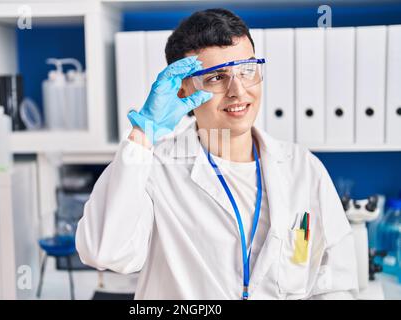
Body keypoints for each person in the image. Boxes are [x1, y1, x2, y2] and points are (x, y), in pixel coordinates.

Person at [76, 8, 358, 299]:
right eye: (216, 78)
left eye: (247, 70)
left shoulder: (303, 168)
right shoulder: (157, 170)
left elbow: (334, 281)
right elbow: (104, 251)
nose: (237, 91)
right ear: (183, 90)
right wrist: (143, 133)